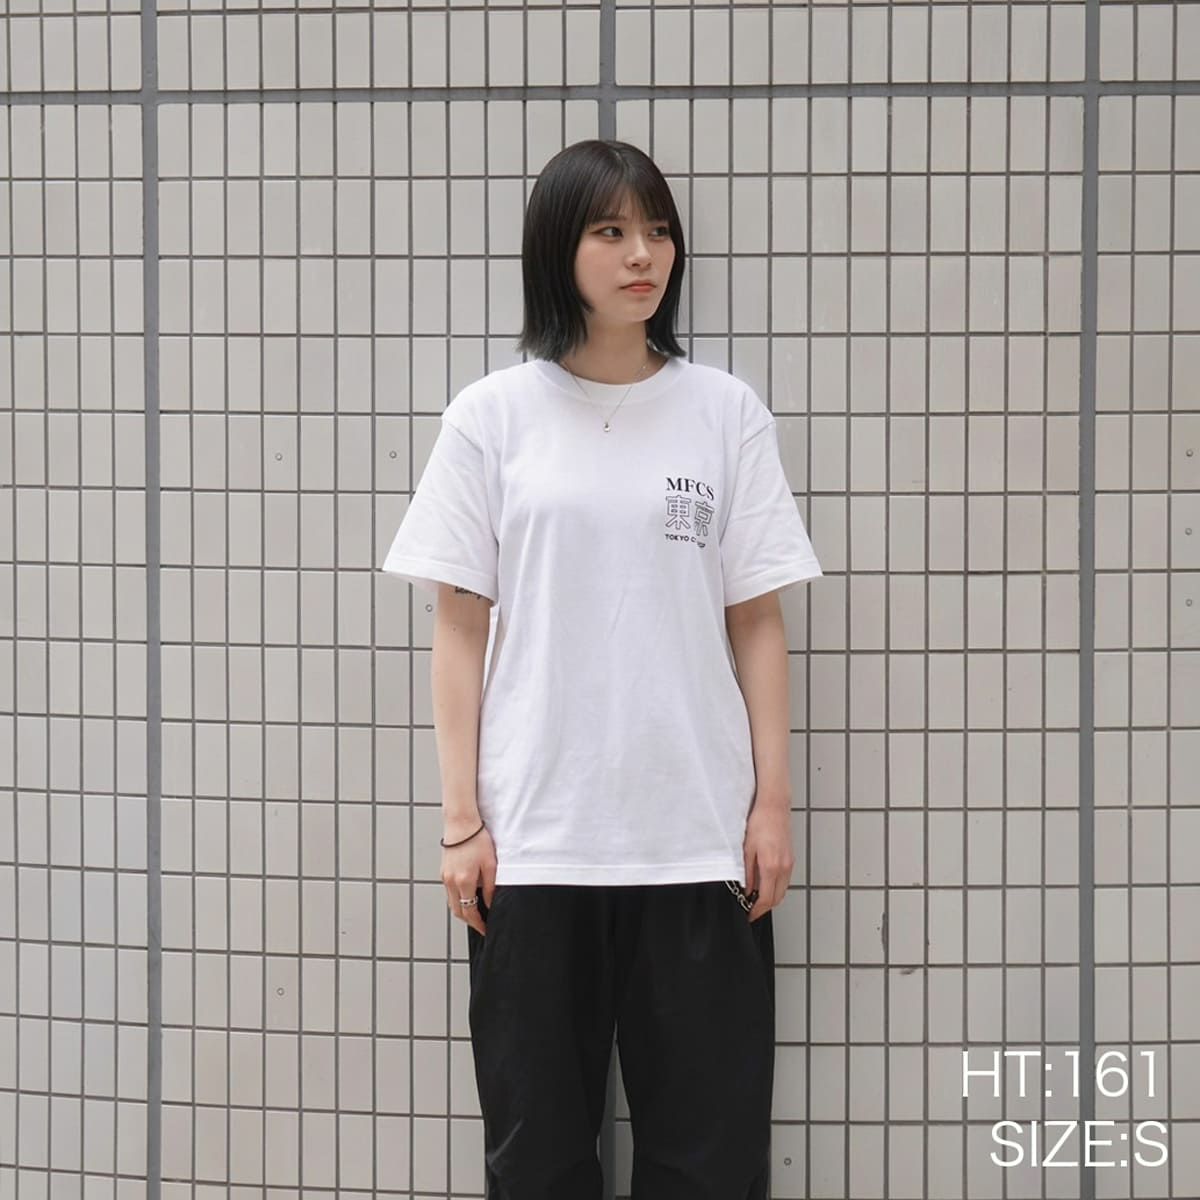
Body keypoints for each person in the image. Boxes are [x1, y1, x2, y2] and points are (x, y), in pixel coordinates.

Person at [379, 139, 823, 1200]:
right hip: (536, 849)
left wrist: (770, 807)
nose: (643, 255)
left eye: (658, 231)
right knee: (537, 1161)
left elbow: (756, 619)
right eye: (612, 231)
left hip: (697, 844)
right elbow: (458, 626)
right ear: (556, 249)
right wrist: (461, 823)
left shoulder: (724, 412)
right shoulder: (492, 417)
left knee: (710, 1164)